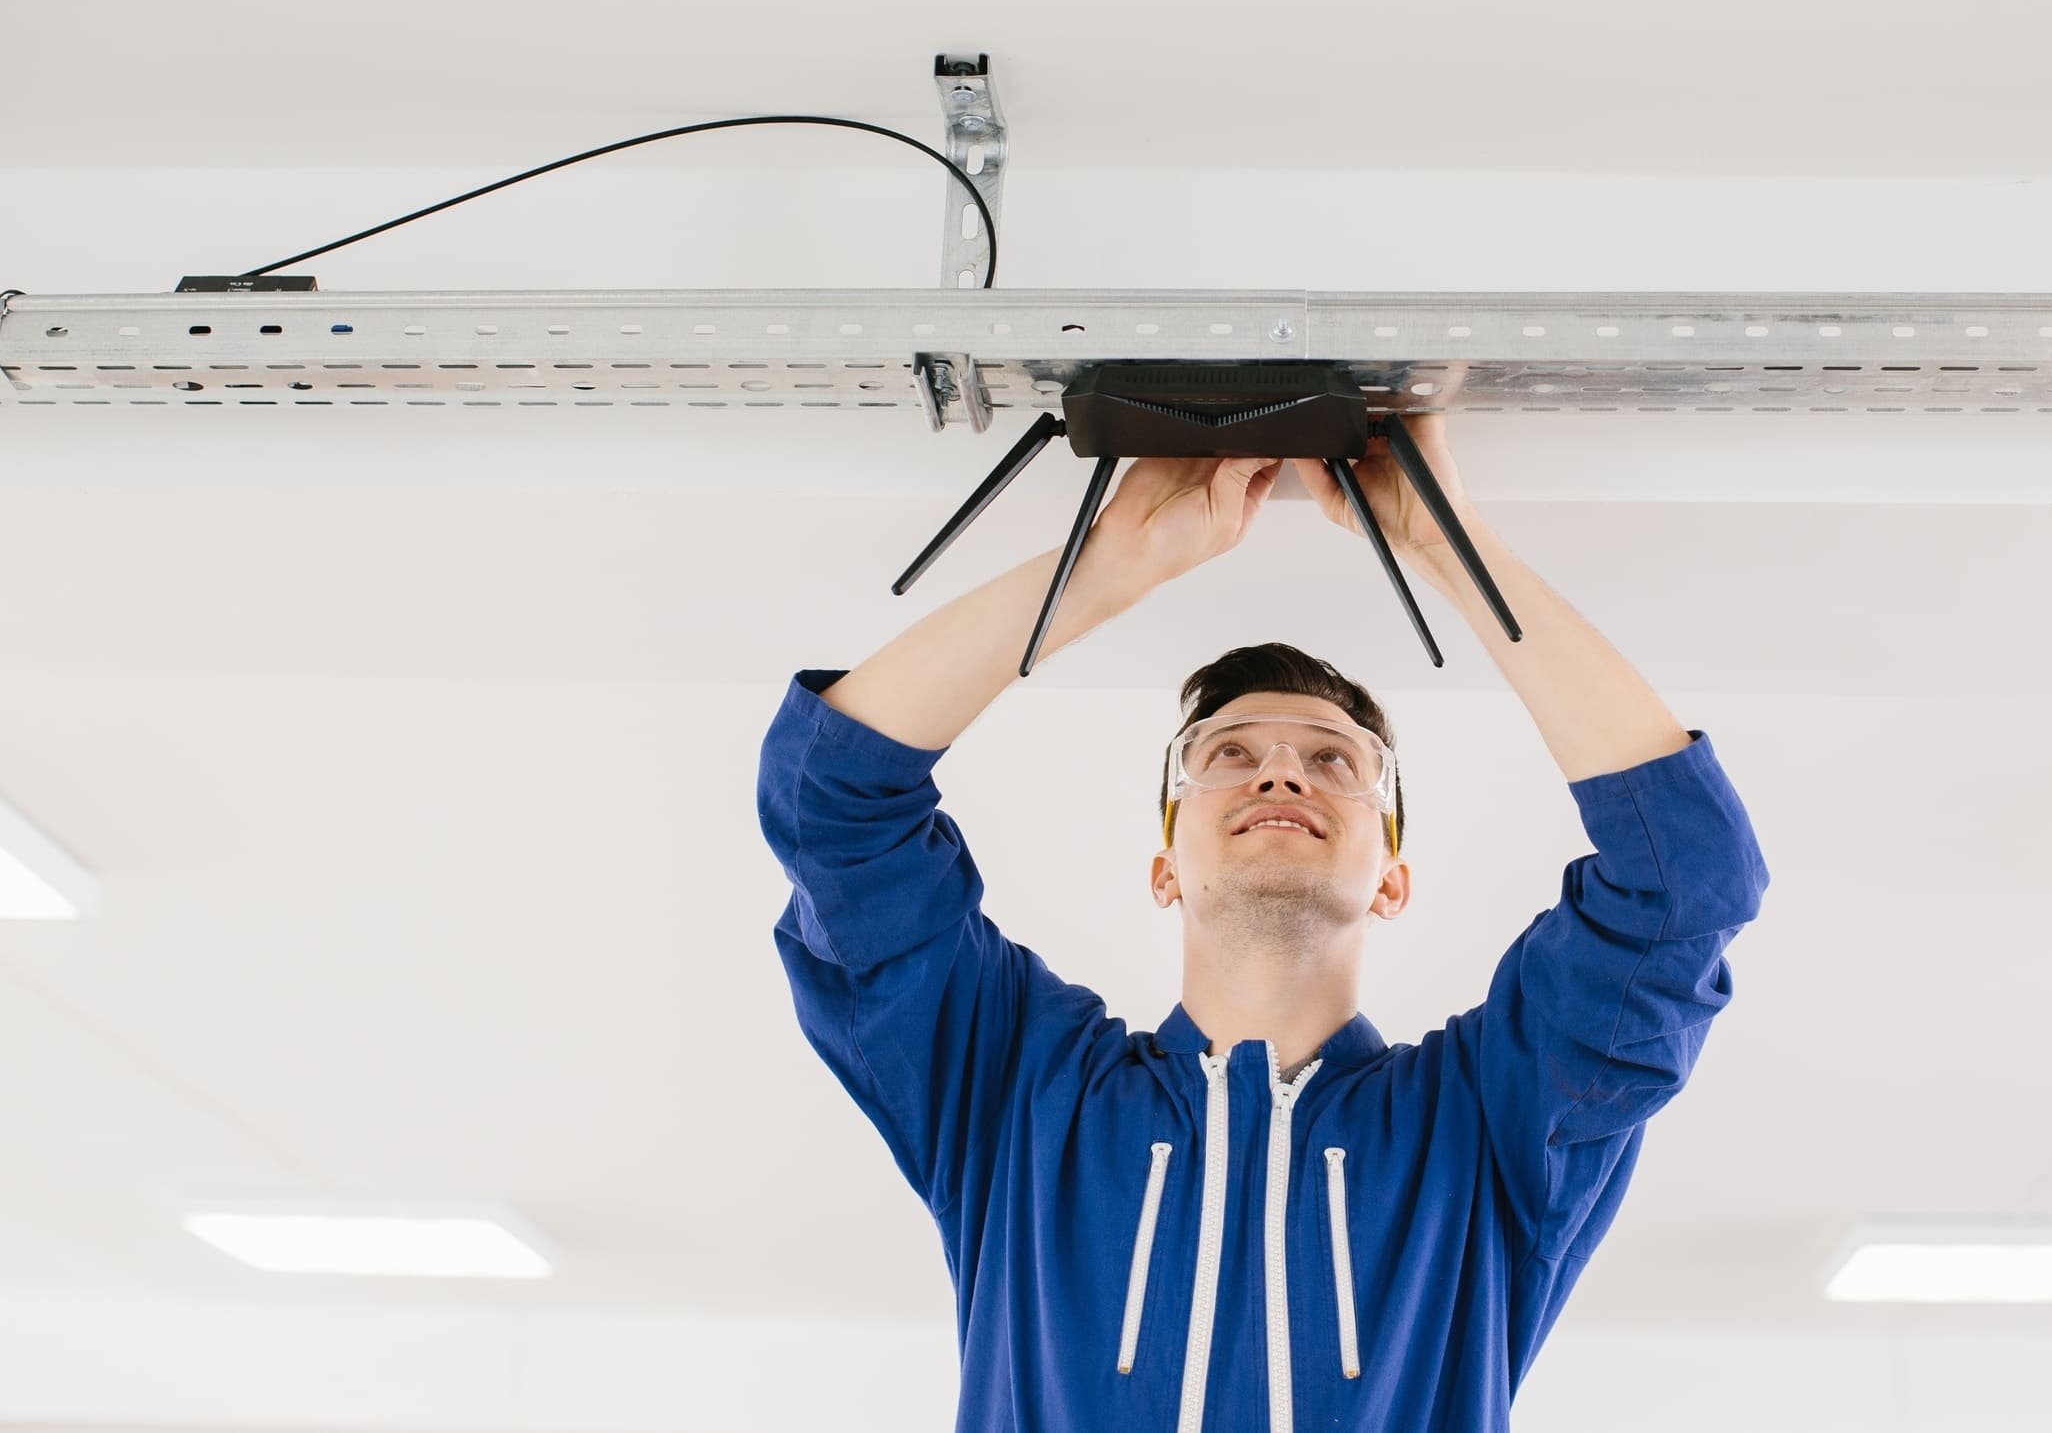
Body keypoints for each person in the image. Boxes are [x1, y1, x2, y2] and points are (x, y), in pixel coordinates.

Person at [756, 411, 1770, 1432]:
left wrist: (1447, 546)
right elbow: (830, 798)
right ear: (1164, 866)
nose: (1282, 767)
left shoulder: (1483, 1125)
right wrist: (1105, 567)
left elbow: (1683, 876)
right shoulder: (1019, 1093)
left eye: (1337, 761)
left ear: (1391, 878)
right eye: (1227, 753)